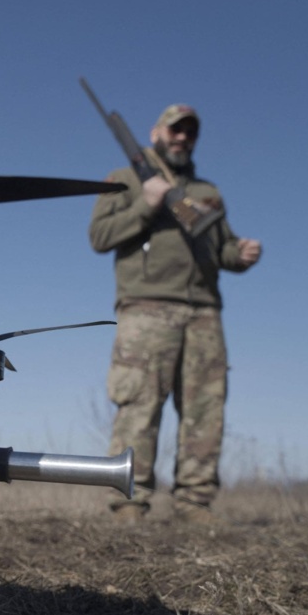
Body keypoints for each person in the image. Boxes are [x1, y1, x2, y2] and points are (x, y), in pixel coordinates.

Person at [88, 103, 261, 523]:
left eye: (189, 132)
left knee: (205, 407)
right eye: (174, 130)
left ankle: (194, 503)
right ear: (156, 132)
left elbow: (220, 248)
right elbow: (99, 236)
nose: (182, 138)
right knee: (139, 404)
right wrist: (146, 205)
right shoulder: (123, 180)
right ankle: (128, 503)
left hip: (204, 312)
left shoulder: (207, 193)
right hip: (146, 307)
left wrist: (241, 254)